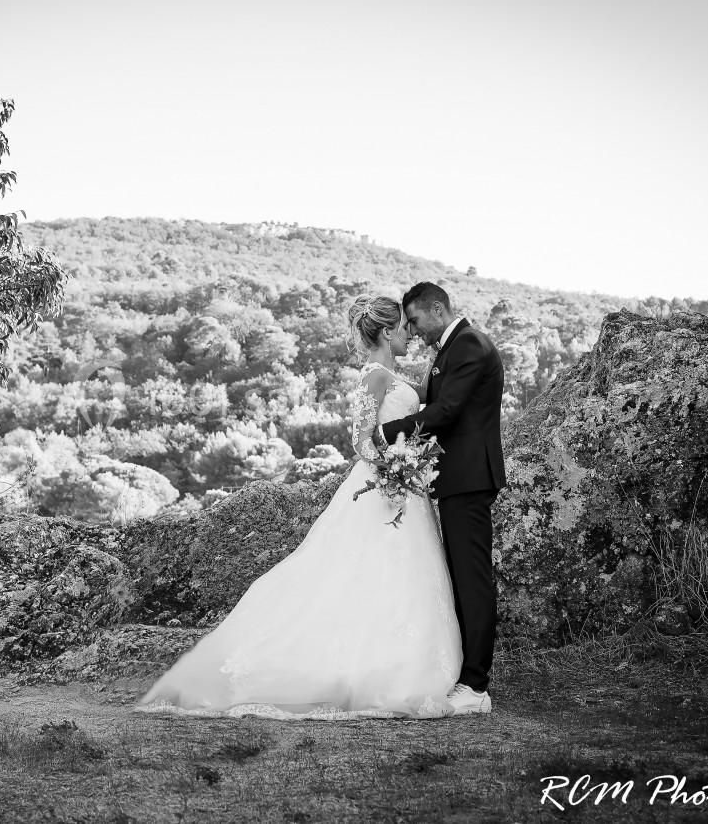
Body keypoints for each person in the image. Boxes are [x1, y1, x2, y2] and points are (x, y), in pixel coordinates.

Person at [134, 294, 462, 720]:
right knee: (356, 574)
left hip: (403, 489)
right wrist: (392, 468)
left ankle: (394, 662)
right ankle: (353, 670)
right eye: (403, 327)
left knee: (392, 576)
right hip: (381, 485)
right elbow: (360, 440)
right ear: (386, 332)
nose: (410, 334)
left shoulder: (395, 377)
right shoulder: (375, 376)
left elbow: (430, 404)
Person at [377, 281, 506, 715]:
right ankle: (466, 676)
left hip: (469, 479)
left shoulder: (468, 345)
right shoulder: (453, 348)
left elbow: (446, 411)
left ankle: (475, 687)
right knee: (463, 576)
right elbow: (440, 404)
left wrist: (384, 433)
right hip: (458, 479)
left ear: (437, 308)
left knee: (472, 580)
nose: (412, 331)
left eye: (414, 321)